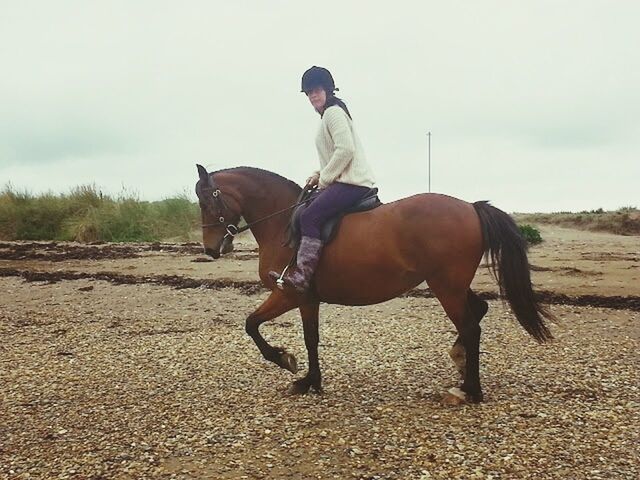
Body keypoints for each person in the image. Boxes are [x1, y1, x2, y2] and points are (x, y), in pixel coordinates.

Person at [270, 66, 376, 292]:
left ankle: (303, 276)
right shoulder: (329, 114)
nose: (313, 96)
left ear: (327, 90)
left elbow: (345, 150)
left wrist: (325, 178)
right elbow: (335, 153)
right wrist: (319, 174)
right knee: (304, 208)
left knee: (310, 216)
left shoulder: (333, 112)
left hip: (352, 182)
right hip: (343, 179)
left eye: (316, 90)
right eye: (308, 93)